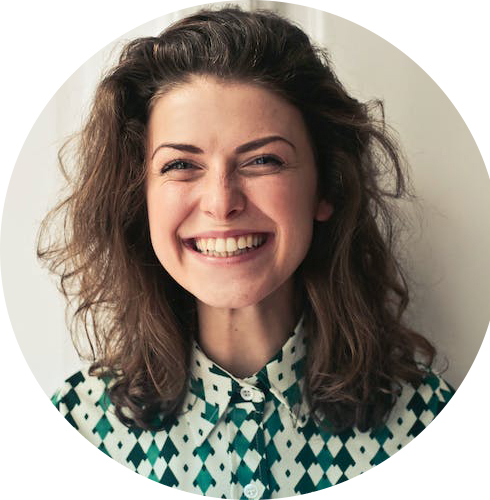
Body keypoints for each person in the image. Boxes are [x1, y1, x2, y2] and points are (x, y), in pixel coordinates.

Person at [40, 6, 454, 499]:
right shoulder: (75, 429)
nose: (221, 202)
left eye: (262, 160)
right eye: (180, 165)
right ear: (139, 199)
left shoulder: (427, 425)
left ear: (327, 188)